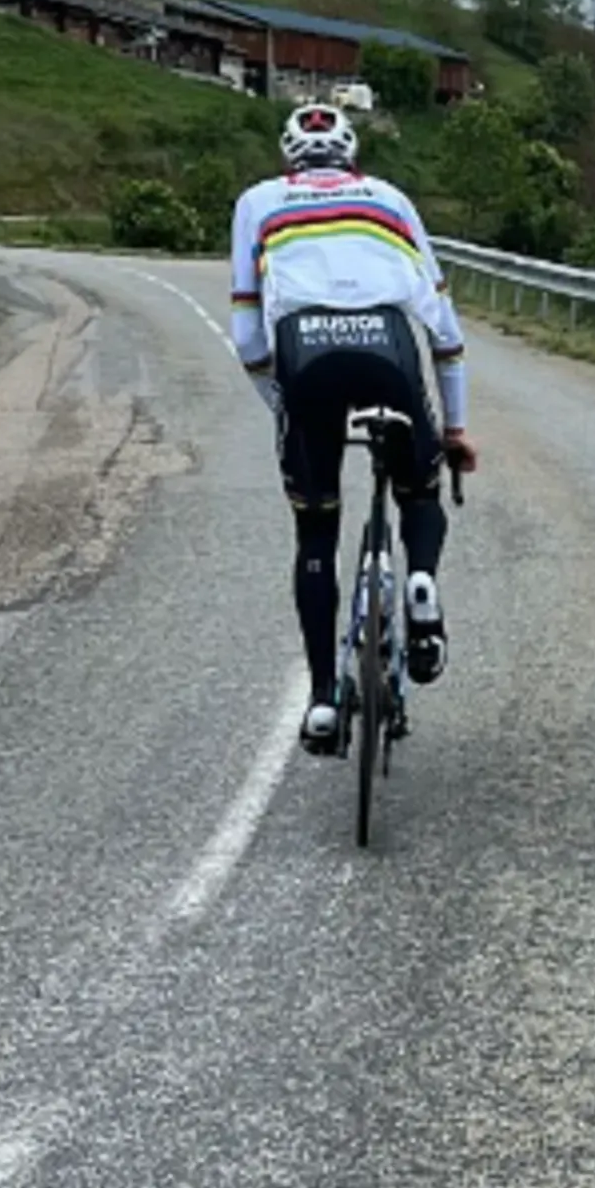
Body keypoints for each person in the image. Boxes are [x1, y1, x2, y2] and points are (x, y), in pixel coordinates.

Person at [230, 101, 478, 755]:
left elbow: (248, 336)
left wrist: (285, 407)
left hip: (304, 351)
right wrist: (453, 430)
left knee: (316, 527)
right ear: (353, 156)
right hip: (390, 349)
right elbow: (445, 332)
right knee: (419, 491)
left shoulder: (257, 201)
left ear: (289, 157)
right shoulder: (391, 198)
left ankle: (319, 700)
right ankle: (420, 577)